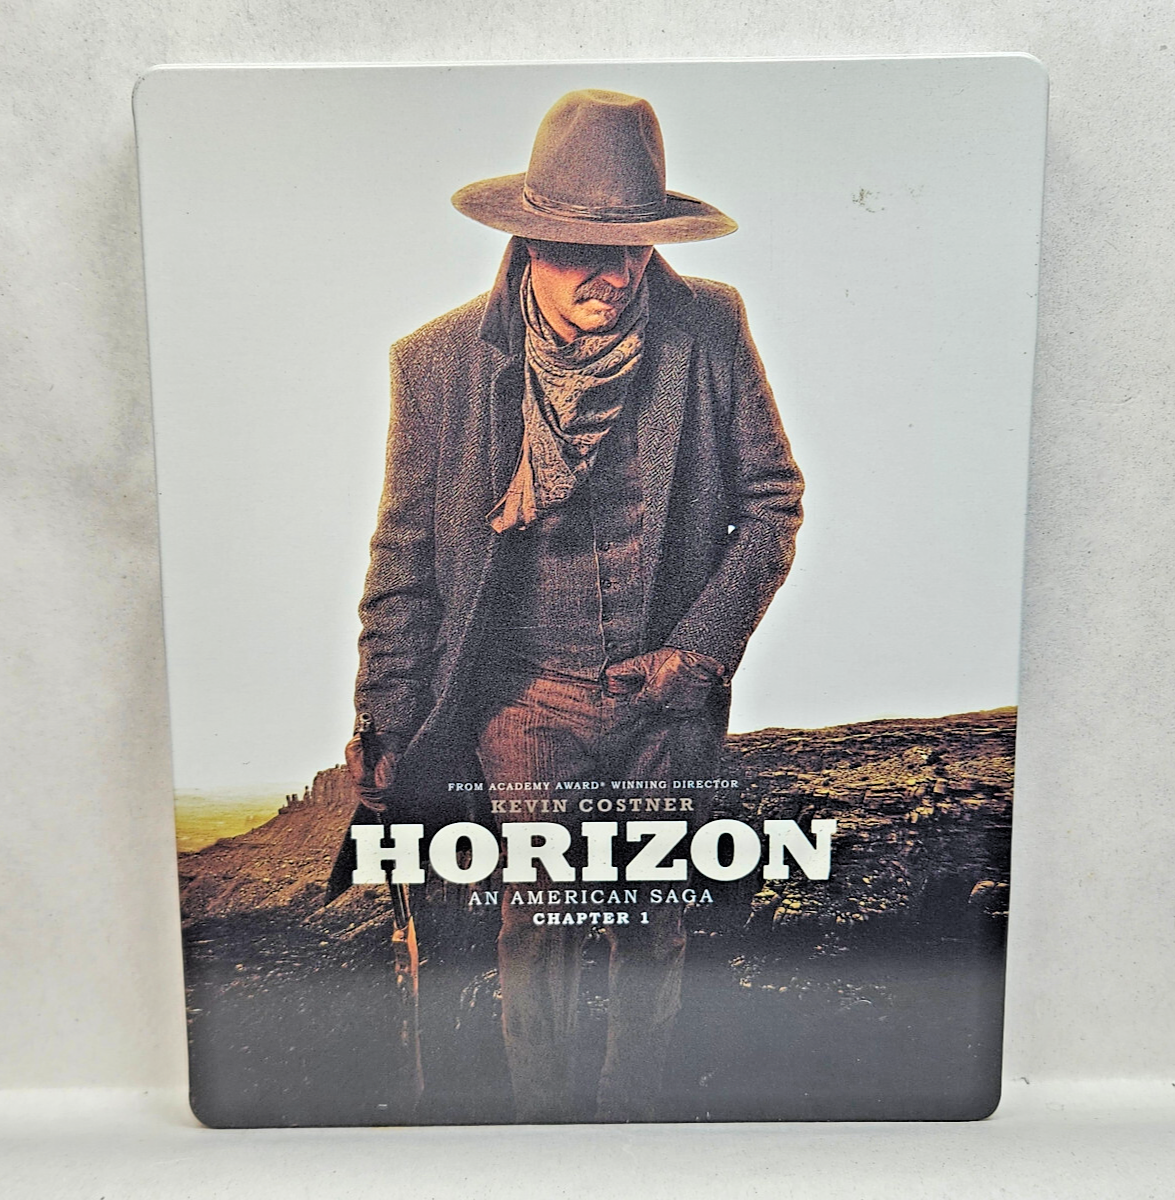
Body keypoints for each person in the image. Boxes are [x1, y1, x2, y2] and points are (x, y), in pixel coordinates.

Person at [341, 89, 804, 1121]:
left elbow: (771, 502)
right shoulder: (438, 364)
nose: (613, 272)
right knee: (538, 920)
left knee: (653, 916)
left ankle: (632, 1131)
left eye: (631, 247)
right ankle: (541, 1133)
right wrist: (383, 719)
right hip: (523, 698)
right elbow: (405, 558)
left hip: (662, 697)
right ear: (525, 247)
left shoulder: (707, 327)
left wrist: (696, 652)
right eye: (579, 250)